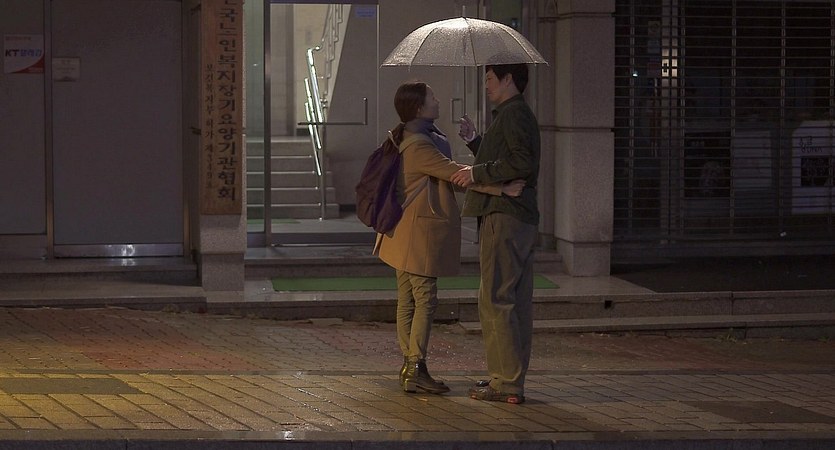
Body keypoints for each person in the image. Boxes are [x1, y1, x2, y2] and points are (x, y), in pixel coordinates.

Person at [375, 81, 524, 395]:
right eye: (432, 96)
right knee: (424, 299)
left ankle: (410, 365)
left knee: (408, 299)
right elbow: (456, 174)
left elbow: (450, 174)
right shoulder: (418, 144)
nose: (438, 100)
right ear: (419, 107)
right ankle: (415, 366)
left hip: (403, 231)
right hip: (417, 233)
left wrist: (472, 142)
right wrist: (501, 188)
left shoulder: (412, 136)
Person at [450, 64, 541, 404]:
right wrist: (476, 141)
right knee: (513, 299)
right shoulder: (513, 114)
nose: (486, 84)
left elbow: (520, 162)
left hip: (504, 214)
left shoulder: (514, 114)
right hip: (516, 215)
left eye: (489, 78)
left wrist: (476, 173)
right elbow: (508, 158)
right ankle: (508, 376)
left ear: (508, 79)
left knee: (496, 298)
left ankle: (506, 381)